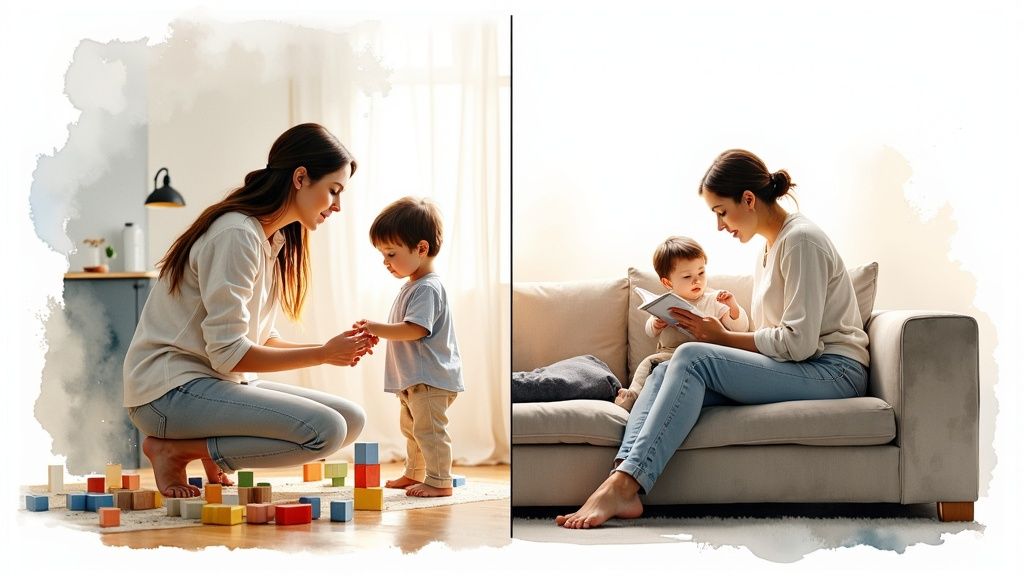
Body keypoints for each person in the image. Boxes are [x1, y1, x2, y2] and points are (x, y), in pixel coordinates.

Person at [558, 149, 870, 528]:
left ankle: (623, 486)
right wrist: (722, 337)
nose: (720, 226)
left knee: (692, 356)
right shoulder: (769, 248)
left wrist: (719, 338)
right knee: (662, 371)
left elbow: (799, 343)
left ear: (749, 199)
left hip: (834, 371)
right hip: (800, 365)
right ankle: (621, 480)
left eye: (721, 211)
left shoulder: (801, 241)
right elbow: (775, 332)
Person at [124, 123, 378, 498]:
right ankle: (175, 450)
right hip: (168, 393)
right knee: (327, 430)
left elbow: (261, 339)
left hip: (212, 385)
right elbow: (229, 355)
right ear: (301, 177)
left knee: (352, 420)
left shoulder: (269, 239)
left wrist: (329, 350)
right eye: (334, 191)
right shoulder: (236, 234)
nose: (338, 206)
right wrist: (323, 355)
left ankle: (207, 450)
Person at [354, 196, 464, 498]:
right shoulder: (413, 285)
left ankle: (440, 480)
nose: (385, 262)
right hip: (415, 380)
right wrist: (382, 332)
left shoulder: (427, 287)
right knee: (413, 431)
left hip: (430, 380)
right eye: (382, 254)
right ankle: (414, 473)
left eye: (391, 253)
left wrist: (377, 328)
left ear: (422, 248)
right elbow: (405, 330)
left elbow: (415, 330)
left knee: (429, 432)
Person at [615, 236, 749, 411]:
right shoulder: (665, 303)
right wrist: (656, 323)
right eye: (687, 276)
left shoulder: (714, 299)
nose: (697, 281)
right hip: (668, 356)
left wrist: (733, 306)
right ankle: (633, 394)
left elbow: (740, 328)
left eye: (701, 273)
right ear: (667, 282)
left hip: (702, 357)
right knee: (648, 364)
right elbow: (649, 331)